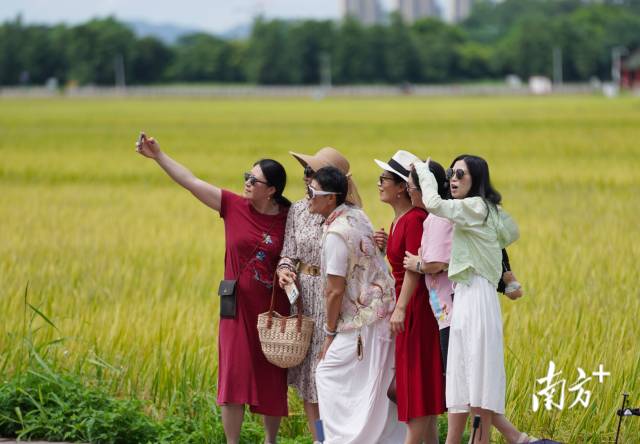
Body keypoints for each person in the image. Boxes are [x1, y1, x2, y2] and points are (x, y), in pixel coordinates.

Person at [135, 134, 291, 444]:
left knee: (272, 378)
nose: (247, 183)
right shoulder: (232, 205)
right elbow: (190, 181)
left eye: (254, 180)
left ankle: (270, 441)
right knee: (233, 378)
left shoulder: (291, 218)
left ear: (271, 190)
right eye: (246, 176)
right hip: (236, 309)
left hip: (273, 311)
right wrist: (159, 156)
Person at [404, 164, 537, 444]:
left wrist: (423, 170)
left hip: (473, 296)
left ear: (476, 179)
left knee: (475, 378)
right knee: (463, 379)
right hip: (463, 295)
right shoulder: (471, 211)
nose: (453, 179)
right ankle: (517, 439)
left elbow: (435, 206)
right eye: (451, 173)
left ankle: (511, 439)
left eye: (460, 174)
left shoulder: (475, 206)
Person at [310, 166, 406, 444]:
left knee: (327, 373)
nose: (308, 197)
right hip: (383, 312)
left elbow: (334, 290)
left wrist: (329, 334)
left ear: (331, 198)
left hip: (363, 320)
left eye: (313, 192)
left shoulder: (336, 234)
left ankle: (341, 439)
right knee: (375, 382)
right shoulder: (357, 215)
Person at [276, 147, 362, 443]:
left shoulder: (349, 215)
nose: (306, 178)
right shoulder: (298, 210)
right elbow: (288, 252)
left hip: (335, 298)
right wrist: (285, 270)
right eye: (305, 172)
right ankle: (320, 439)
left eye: (311, 173)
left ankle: (338, 437)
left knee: (330, 376)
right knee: (308, 381)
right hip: (304, 299)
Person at [374, 150, 445, 444]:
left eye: (384, 179)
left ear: (403, 187)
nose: (379, 183)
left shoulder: (415, 219)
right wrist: (385, 247)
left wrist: (401, 308)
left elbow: (415, 268)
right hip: (409, 306)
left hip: (417, 308)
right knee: (418, 387)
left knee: (417, 388)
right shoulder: (401, 220)